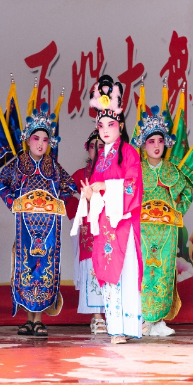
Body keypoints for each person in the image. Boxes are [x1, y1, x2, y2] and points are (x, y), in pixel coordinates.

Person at [0, 103, 77, 338]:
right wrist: (13, 203)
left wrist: (57, 202)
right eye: (36, 138)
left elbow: (71, 186)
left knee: (43, 268)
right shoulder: (18, 164)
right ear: (27, 139)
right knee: (26, 268)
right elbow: (0, 184)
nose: (40, 144)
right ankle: (28, 319)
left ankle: (39, 319)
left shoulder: (54, 167)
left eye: (45, 139)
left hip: (49, 228)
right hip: (25, 228)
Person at [72, 75, 143, 345]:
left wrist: (105, 186)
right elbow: (98, 190)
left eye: (110, 124)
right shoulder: (101, 157)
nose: (104, 130)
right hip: (104, 226)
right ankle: (115, 328)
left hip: (123, 224)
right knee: (108, 272)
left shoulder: (129, 153)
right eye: (100, 125)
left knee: (125, 272)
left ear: (120, 125)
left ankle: (127, 326)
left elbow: (133, 185)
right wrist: (91, 194)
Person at [132, 105, 192, 337]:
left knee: (164, 271)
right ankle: (143, 320)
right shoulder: (137, 169)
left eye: (159, 141)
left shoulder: (172, 170)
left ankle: (158, 320)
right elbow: (129, 195)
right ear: (143, 144)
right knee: (144, 271)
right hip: (143, 230)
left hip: (166, 230)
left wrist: (178, 207)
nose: (156, 145)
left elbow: (186, 193)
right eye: (151, 141)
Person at [67, 130, 106, 334]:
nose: (97, 151)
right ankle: (97, 317)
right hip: (89, 231)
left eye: (101, 146)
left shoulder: (114, 173)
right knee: (92, 268)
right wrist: (78, 211)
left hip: (110, 229)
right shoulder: (80, 175)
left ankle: (113, 315)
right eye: (93, 146)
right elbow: (64, 193)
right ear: (87, 149)